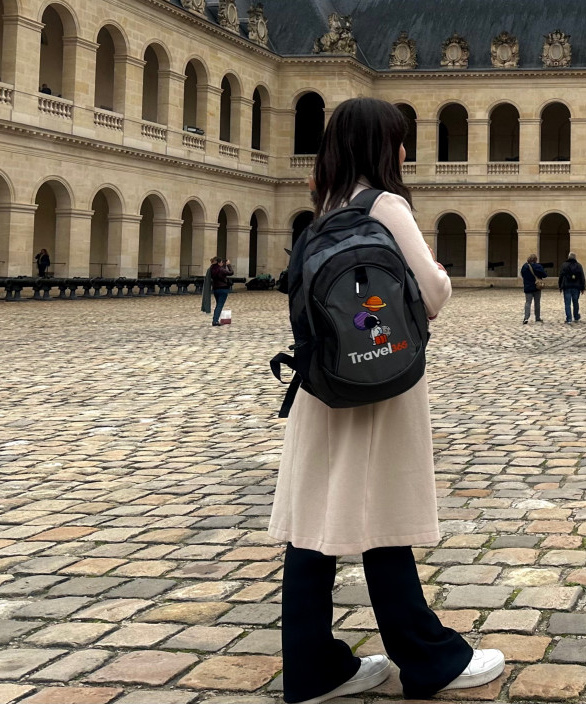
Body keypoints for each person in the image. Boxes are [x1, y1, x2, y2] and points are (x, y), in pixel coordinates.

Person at [269, 96, 503, 704]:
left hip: (322, 385)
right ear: (380, 145)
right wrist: (438, 273)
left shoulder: (322, 209)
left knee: (314, 527)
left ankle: (314, 669)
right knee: (384, 518)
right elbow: (433, 292)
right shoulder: (386, 205)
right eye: (399, 139)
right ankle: (430, 661)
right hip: (379, 381)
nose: (405, 149)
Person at [558, 252, 585, 324]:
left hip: (567, 286)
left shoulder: (564, 265)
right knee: (575, 302)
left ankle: (569, 318)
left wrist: (560, 286)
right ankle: (576, 316)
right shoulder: (579, 266)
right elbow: (582, 277)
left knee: (567, 303)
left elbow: (561, 276)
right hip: (576, 286)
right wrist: (582, 287)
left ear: (568, 257)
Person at [207, 256, 233, 326]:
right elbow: (231, 272)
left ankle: (215, 319)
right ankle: (215, 321)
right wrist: (228, 265)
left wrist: (224, 265)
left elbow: (220, 271)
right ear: (219, 263)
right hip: (223, 289)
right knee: (219, 305)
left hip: (216, 289)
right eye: (221, 262)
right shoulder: (221, 270)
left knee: (218, 305)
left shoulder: (212, 269)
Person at [521, 253, 545, 324]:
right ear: (535, 259)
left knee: (528, 302)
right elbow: (544, 275)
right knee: (537, 303)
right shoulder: (538, 266)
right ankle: (537, 317)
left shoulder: (525, 267)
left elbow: (522, 275)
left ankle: (526, 318)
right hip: (537, 287)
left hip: (528, 287)